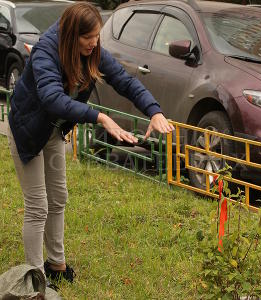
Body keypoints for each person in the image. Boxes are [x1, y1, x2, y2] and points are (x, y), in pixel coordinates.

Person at [7, 2, 174, 285]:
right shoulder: (47, 52)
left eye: (97, 37)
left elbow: (125, 81)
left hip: (53, 132)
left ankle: (55, 264)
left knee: (58, 198)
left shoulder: (92, 51)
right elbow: (51, 98)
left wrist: (154, 111)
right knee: (38, 206)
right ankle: (34, 277)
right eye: (88, 38)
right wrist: (100, 118)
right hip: (28, 130)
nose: (94, 43)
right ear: (72, 35)